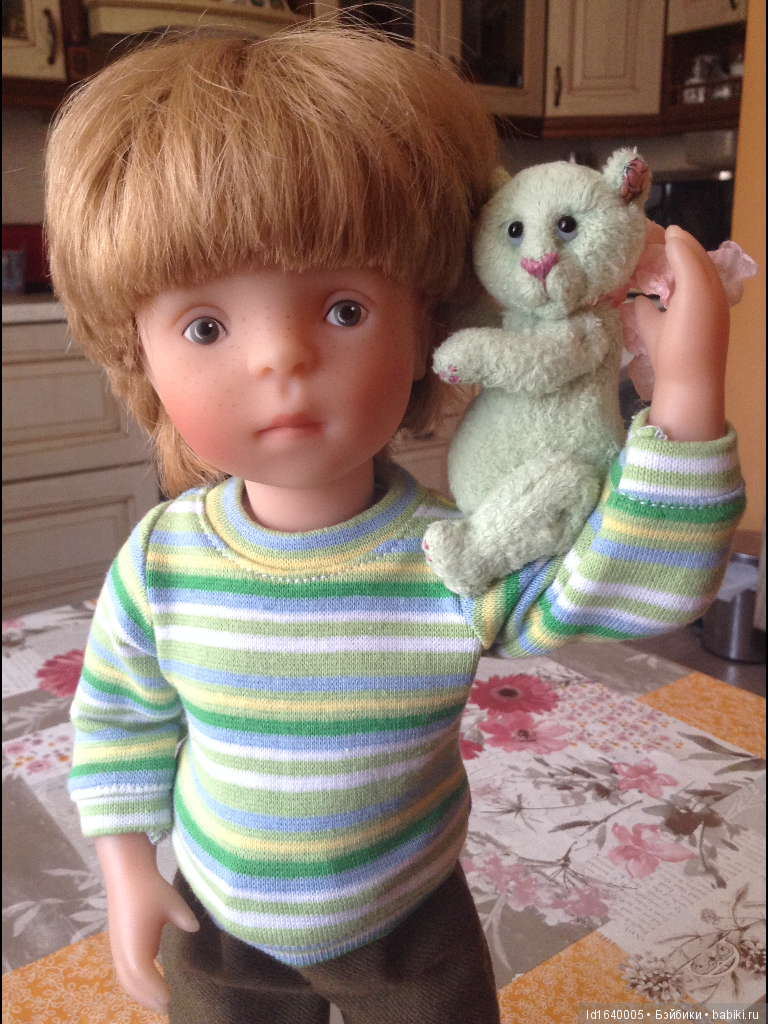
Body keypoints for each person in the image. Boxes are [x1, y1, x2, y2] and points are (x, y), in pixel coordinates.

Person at [45, 25, 744, 1024]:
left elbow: (630, 583)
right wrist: (125, 867)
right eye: (206, 327)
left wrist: (684, 394)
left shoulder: (455, 555)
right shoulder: (161, 563)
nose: (278, 360)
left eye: (342, 310)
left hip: (410, 927)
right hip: (219, 925)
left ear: (428, 328)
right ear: (140, 355)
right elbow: (121, 716)